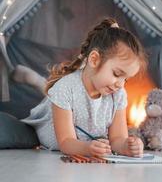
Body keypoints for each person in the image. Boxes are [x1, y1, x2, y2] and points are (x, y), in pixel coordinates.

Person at [22, 18, 147, 158]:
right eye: (117, 74)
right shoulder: (66, 87)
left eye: (126, 79)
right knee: (53, 95)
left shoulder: (118, 94)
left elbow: (117, 138)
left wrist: (127, 146)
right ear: (94, 59)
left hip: (88, 141)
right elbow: (65, 142)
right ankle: (36, 81)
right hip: (59, 136)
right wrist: (88, 148)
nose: (120, 84)